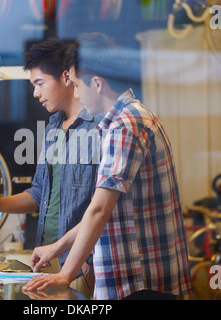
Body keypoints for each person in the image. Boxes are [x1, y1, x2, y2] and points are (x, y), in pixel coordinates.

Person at [22, 34, 192, 300]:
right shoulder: (128, 119)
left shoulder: (126, 125)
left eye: (77, 85)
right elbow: (104, 209)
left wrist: (65, 274)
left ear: (97, 84)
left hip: (141, 283)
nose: (75, 93)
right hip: (141, 280)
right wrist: (58, 246)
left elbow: (99, 210)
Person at [0, 39, 101, 297]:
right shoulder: (53, 127)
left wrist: (89, 261)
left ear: (66, 78)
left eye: (39, 84)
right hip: (48, 259)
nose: (35, 93)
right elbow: (40, 193)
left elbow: (104, 206)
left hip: (84, 266)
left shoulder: (99, 127)